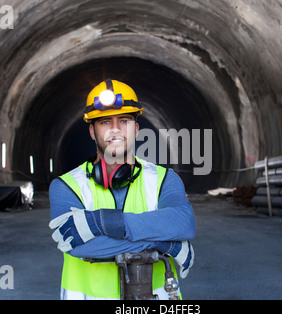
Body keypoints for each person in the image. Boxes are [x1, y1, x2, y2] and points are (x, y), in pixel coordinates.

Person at [49, 78, 196, 300]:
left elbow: (183, 223)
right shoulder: (66, 186)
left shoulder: (164, 179)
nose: (116, 130)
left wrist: (104, 222)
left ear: (136, 129)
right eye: (105, 122)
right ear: (92, 131)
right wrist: (165, 244)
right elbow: (76, 245)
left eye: (124, 120)